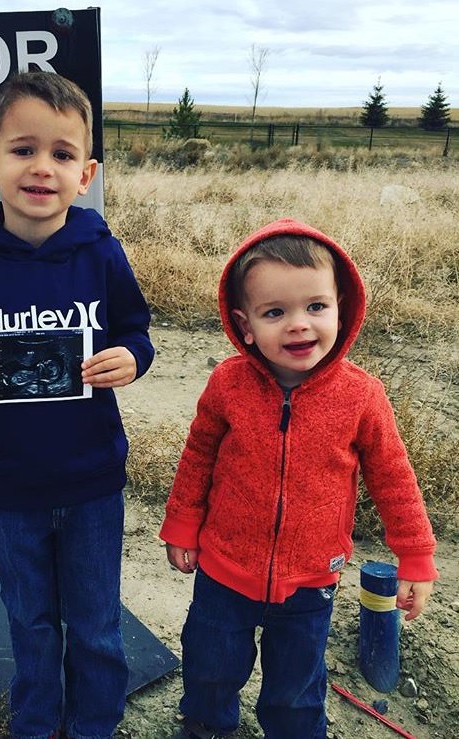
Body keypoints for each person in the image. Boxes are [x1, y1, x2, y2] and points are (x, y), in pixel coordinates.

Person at [0, 71, 154, 739]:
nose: (41, 168)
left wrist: (132, 358)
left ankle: (94, 723)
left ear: (85, 174)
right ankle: (35, 722)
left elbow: (135, 329)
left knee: (95, 619)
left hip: (93, 479)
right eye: (24, 149)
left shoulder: (100, 251)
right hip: (11, 481)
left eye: (61, 154)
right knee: (27, 619)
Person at [159, 218, 438, 739]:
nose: (299, 324)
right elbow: (198, 455)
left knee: (295, 684)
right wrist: (181, 524)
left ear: (341, 308)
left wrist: (415, 555)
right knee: (211, 667)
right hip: (223, 568)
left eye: (315, 306)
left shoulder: (361, 396)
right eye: (275, 312)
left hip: (311, 577)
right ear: (245, 325)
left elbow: (395, 479)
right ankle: (205, 725)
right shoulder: (227, 384)